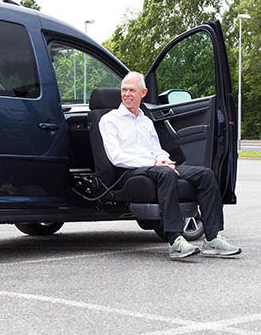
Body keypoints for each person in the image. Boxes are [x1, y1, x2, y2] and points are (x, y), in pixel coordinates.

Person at [99, 71, 241, 260]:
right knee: (166, 174)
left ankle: (213, 238)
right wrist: (155, 164)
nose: (126, 94)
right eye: (124, 90)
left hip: (155, 166)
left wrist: (164, 159)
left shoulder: (146, 121)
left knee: (205, 175)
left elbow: (156, 149)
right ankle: (175, 241)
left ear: (143, 92)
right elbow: (116, 157)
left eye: (132, 90)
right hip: (128, 172)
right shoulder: (109, 120)